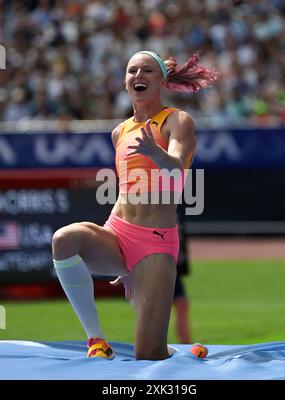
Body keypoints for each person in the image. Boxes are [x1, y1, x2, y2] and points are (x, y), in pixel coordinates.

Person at [52, 50, 218, 360]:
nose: (138, 75)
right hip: (118, 233)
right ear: (125, 82)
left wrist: (157, 154)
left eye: (147, 71)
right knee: (64, 240)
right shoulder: (120, 132)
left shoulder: (177, 120)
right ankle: (97, 340)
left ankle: (179, 353)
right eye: (132, 71)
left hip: (154, 243)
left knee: (148, 355)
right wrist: (110, 241)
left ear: (161, 81)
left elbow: (178, 167)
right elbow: (125, 191)